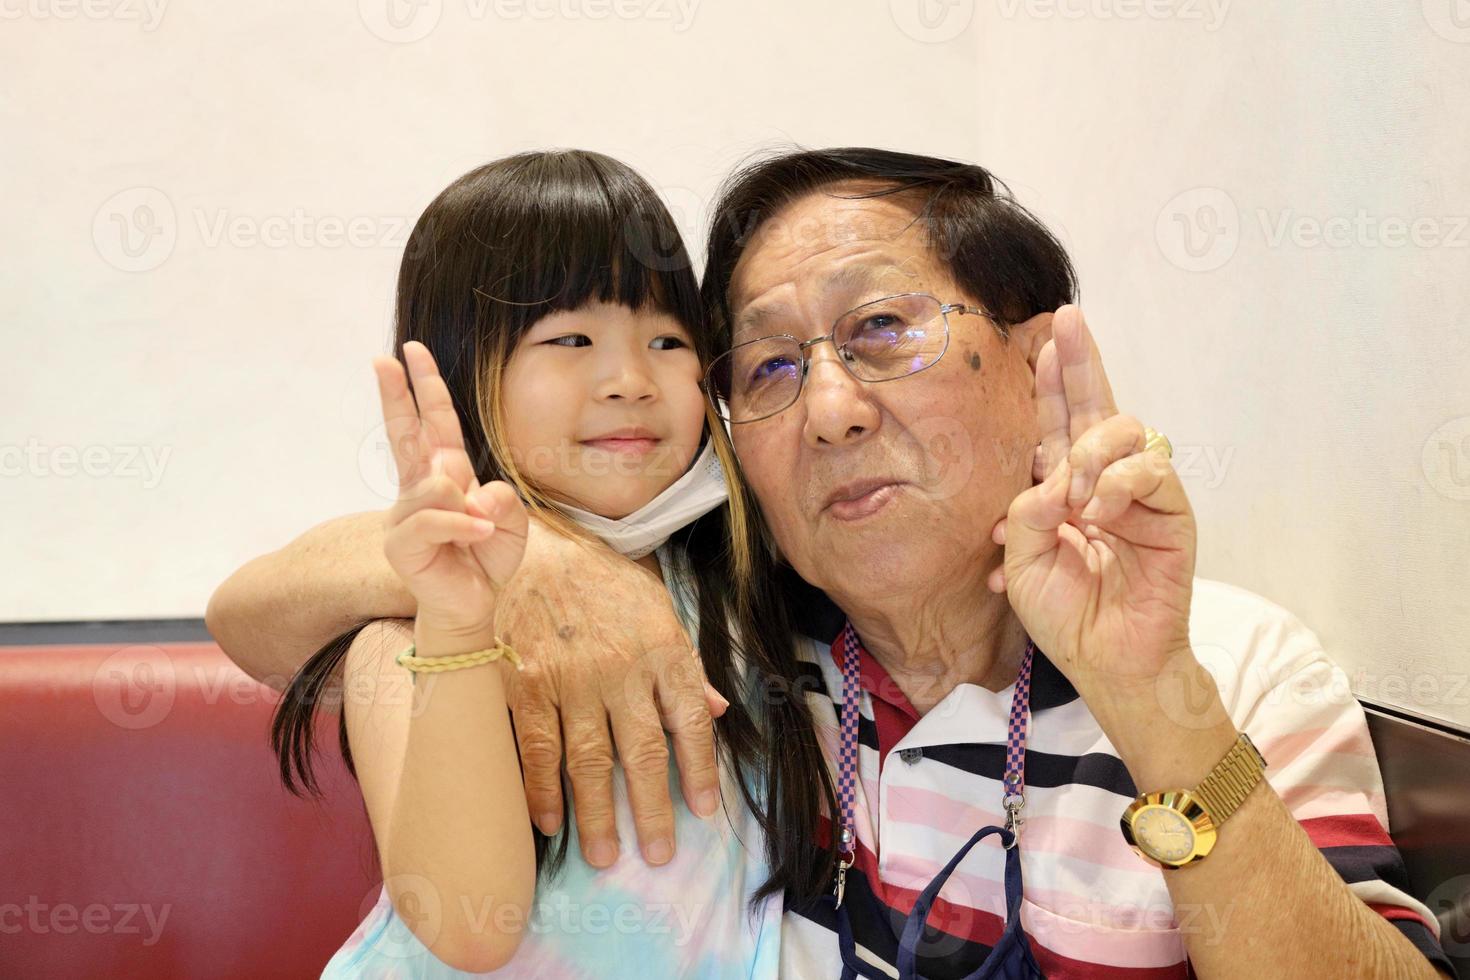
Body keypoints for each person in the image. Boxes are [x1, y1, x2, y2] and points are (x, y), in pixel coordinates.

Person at [210, 147, 1453, 978]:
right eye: (767, 365)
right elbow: (258, 612)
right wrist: (528, 559)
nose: (833, 409)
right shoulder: (765, 638)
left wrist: (1150, 693)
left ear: (1035, 358)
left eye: (881, 331)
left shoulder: (1231, 665)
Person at [268, 149, 793, 976]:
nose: (629, 379)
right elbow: (470, 927)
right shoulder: (415, 625)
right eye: (571, 337)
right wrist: (456, 621)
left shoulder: (743, 585)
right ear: (458, 364)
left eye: (666, 338)